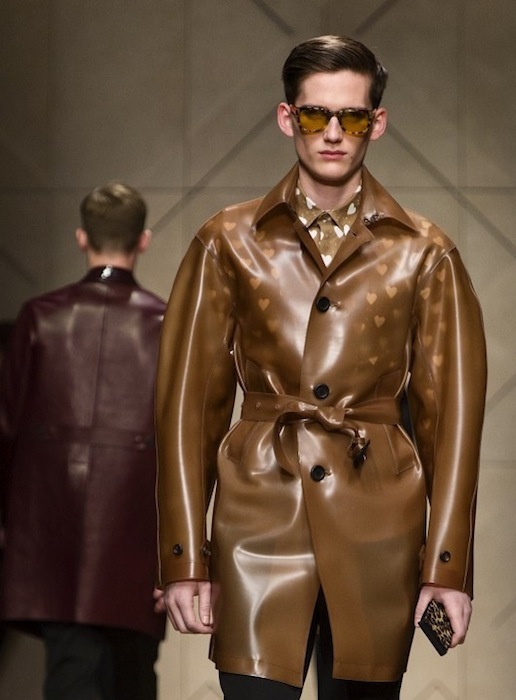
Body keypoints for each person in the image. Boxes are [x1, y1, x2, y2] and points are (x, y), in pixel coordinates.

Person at [155, 36, 487, 700]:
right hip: (256, 516)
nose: (333, 133)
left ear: (377, 123)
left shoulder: (425, 254)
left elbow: (452, 425)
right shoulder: (227, 241)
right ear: (288, 118)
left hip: (379, 525)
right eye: (315, 115)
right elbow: (186, 407)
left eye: (352, 118)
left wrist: (446, 568)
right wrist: (184, 557)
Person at [0, 183, 167, 699]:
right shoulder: (168, 325)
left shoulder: (39, 317)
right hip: (137, 547)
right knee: (133, 680)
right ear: (143, 240)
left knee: (71, 676)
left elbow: (6, 430)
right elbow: (185, 448)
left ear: (81, 238)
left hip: (54, 544)